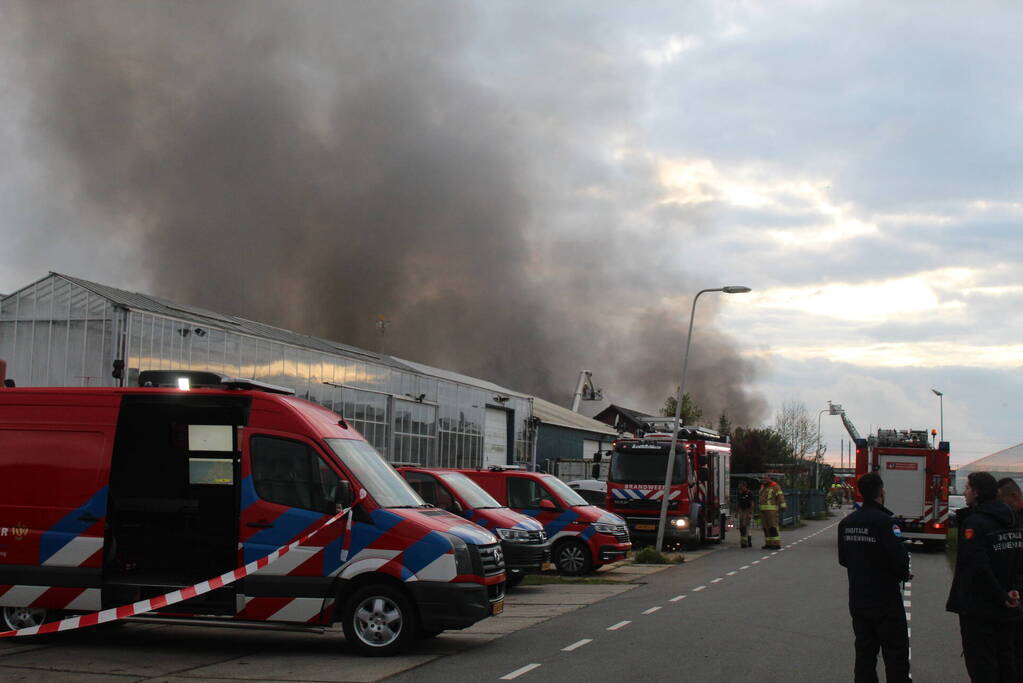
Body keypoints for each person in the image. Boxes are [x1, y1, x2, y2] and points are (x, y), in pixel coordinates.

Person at [947, 472, 1023, 682]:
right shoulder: (1013, 519)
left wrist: (1000, 596)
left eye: (968, 488)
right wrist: (1013, 591)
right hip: (1009, 607)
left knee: (982, 666)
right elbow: (1018, 561)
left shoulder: (975, 523)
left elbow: (978, 567)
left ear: (977, 492)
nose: (964, 492)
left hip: (979, 609)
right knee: (1006, 662)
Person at [838, 472, 911, 683]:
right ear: (881, 492)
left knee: (864, 655)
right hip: (886, 601)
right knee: (895, 655)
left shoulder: (847, 523)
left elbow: (844, 559)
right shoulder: (887, 523)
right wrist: (901, 573)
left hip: (859, 600)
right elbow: (899, 561)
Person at [759, 478, 786, 550]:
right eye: (763, 478)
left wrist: (783, 506)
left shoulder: (775, 486)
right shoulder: (763, 487)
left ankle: (776, 543)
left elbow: (780, 496)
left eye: (765, 478)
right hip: (763, 510)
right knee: (765, 528)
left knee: (772, 527)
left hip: (772, 511)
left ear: (770, 479)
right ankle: (768, 543)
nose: (763, 480)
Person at [736, 480, 754, 548]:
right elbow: (738, 503)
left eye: (741, 487)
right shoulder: (739, 493)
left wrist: (750, 513)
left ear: (744, 486)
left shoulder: (749, 493)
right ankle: (745, 540)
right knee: (742, 526)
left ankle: (745, 541)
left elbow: (752, 503)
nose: (739, 489)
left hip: (747, 509)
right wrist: (736, 512)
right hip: (741, 509)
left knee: (745, 525)